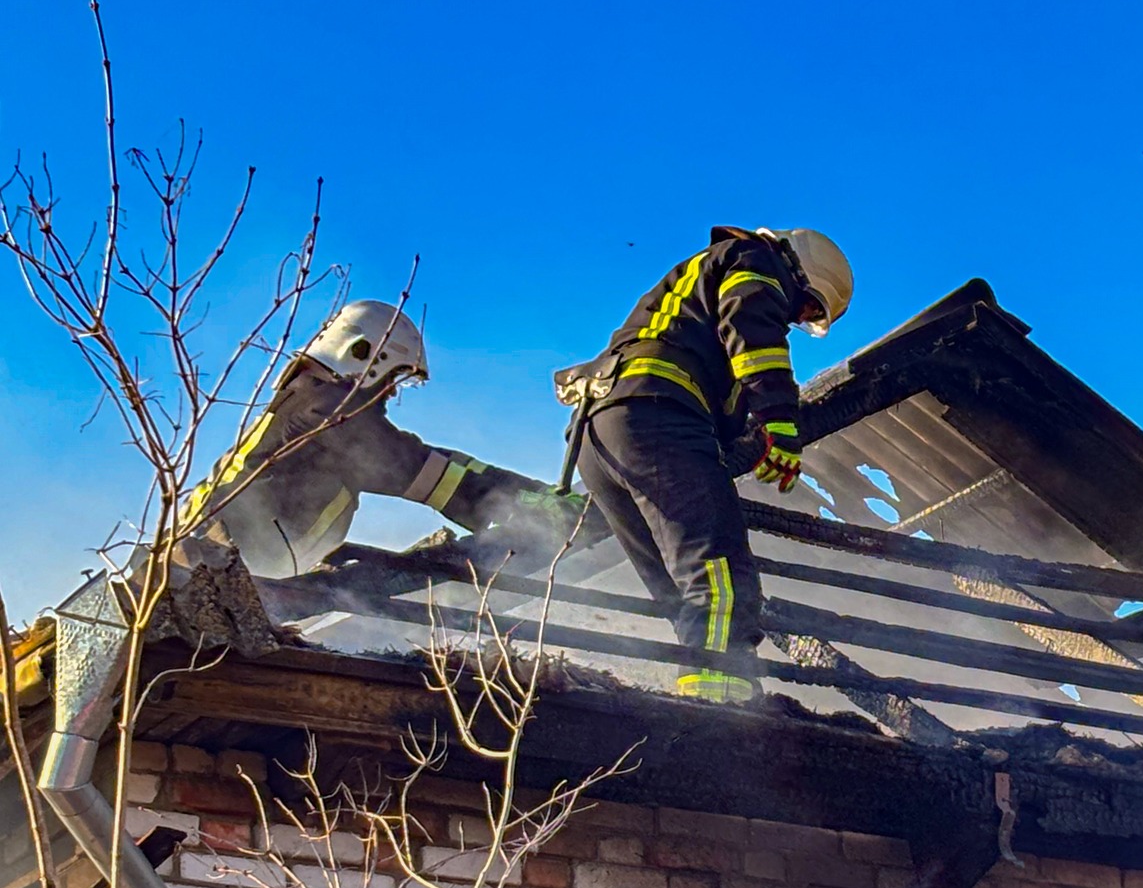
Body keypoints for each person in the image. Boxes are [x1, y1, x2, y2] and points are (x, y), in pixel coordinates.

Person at [563, 226, 854, 702]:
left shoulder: (696, 296)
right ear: (801, 272)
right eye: (807, 306)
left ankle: (701, 684)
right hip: (656, 417)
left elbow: (723, 390)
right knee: (719, 576)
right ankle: (722, 706)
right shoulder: (756, 260)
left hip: (599, 436)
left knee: (684, 595)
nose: (797, 318)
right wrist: (780, 422)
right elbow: (753, 330)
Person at [183, 300, 578, 578]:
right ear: (365, 356)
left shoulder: (307, 399)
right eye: (393, 377)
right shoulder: (328, 407)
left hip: (221, 562)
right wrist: (524, 499)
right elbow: (418, 470)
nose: (390, 392)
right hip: (221, 566)